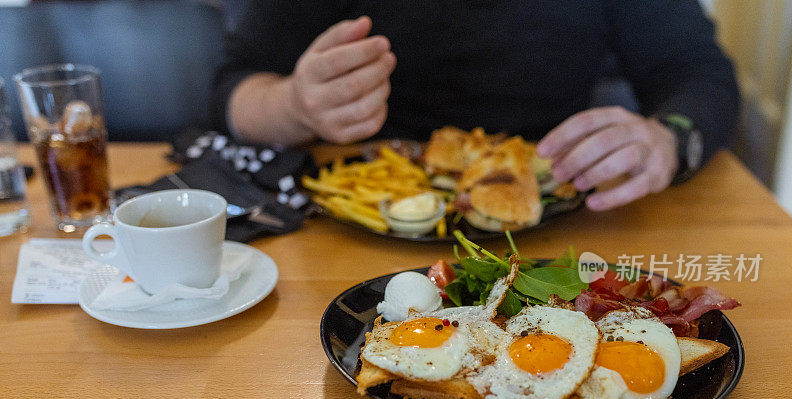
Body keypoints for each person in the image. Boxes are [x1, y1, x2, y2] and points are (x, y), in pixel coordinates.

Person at [211, 1, 739, 211]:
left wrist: (665, 139)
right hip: (364, 218)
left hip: (556, 216)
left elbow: (697, 70)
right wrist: (295, 106)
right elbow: (230, 91)